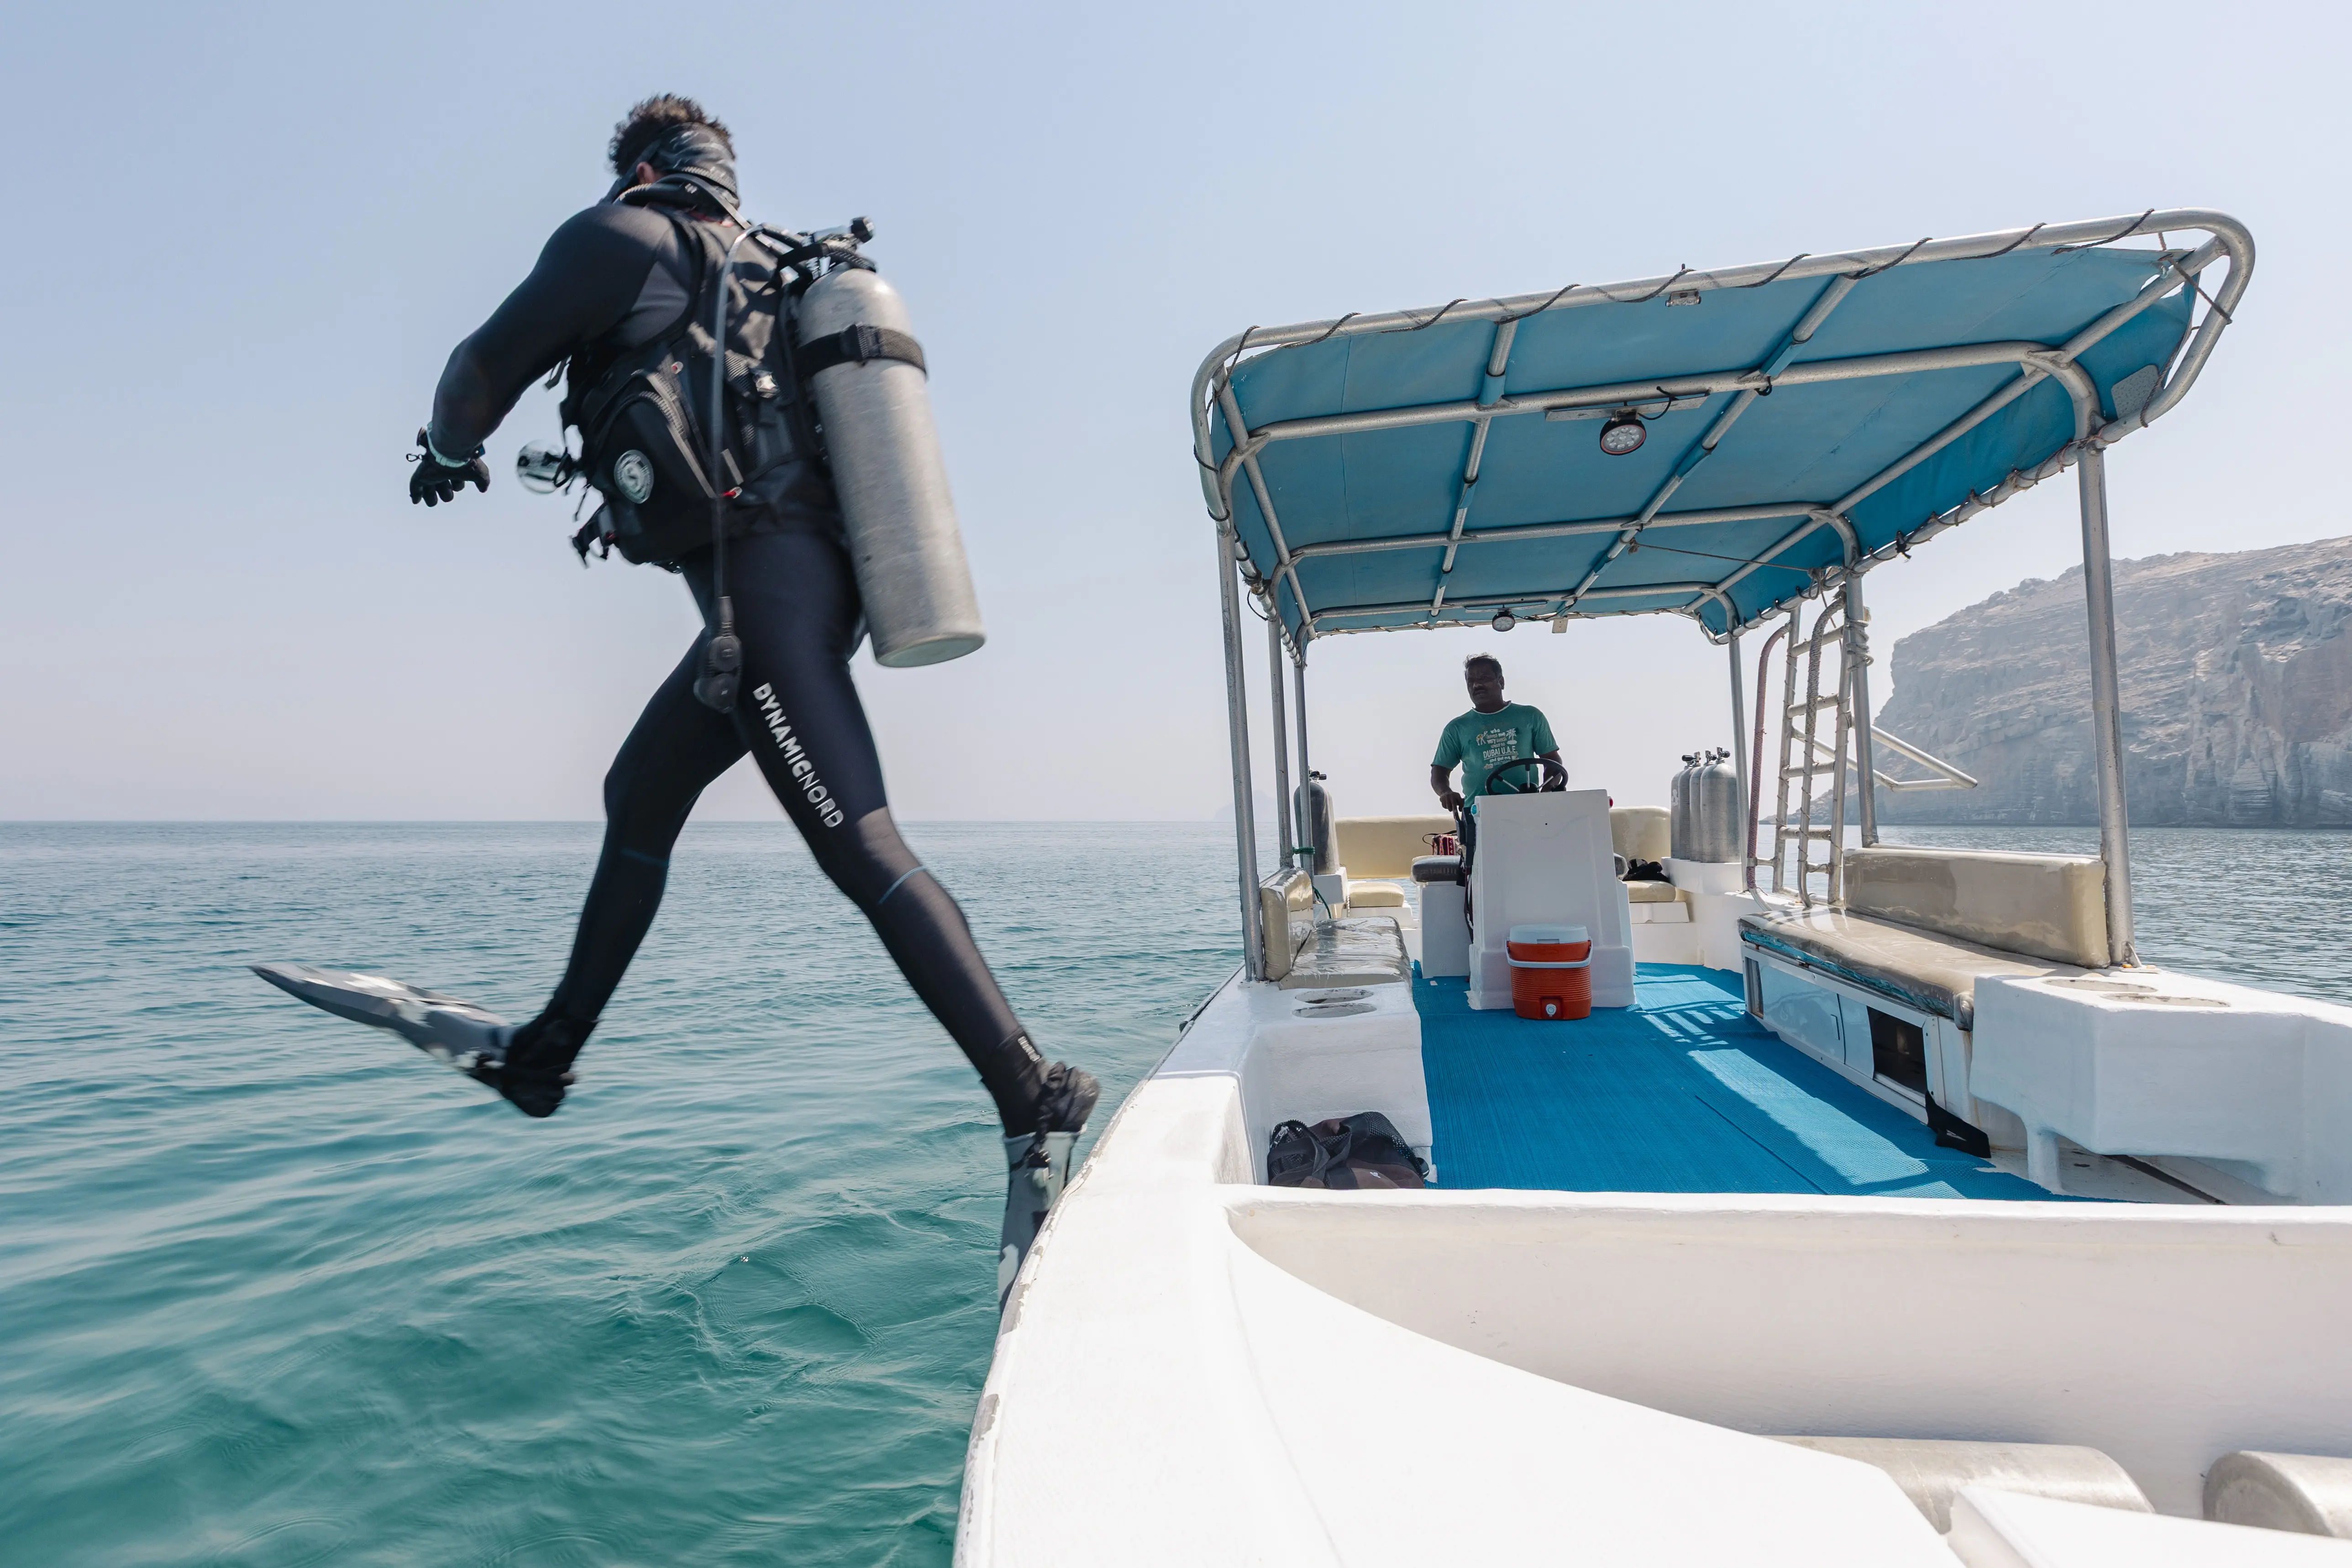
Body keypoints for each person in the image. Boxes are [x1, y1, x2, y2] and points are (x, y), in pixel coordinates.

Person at [406, 94, 1094, 1304]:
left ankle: (1031, 1089)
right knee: (641, 791)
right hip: (793, 589)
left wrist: (446, 452)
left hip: (764, 600)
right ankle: (546, 1057)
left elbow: (481, 370)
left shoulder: (626, 237)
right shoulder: (771, 270)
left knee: (858, 839)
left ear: (647, 171)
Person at [1428, 653, 1566, 813]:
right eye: (1470, 681)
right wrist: (1446, 793)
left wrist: (1549, 789)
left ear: (1501, 682)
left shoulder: (1530, 716)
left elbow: (1552, 760)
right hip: (1479, 812)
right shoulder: (1457, 728)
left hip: (1529, 808)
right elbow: (1439, 771)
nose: (1476, 686)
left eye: (1484, 679)